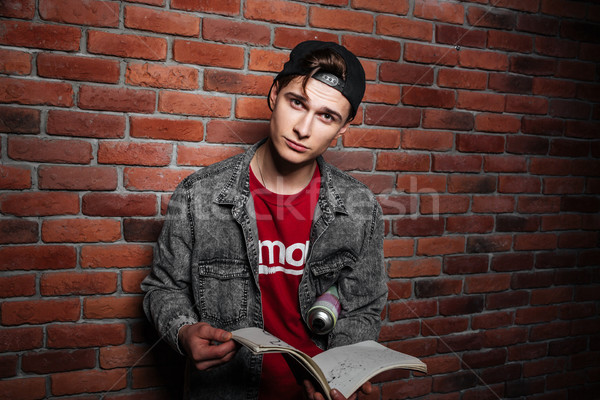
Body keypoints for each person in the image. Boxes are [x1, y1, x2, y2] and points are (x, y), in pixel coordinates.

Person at [142, 40, 388, 400]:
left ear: (344, 127)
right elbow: (163, 288)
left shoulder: (360, 208)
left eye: (326, 115)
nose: (304, 128)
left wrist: (342, 373)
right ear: (275, 94)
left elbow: (362, 307)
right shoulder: (199, 194)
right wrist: (182, 332)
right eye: (297, 102)